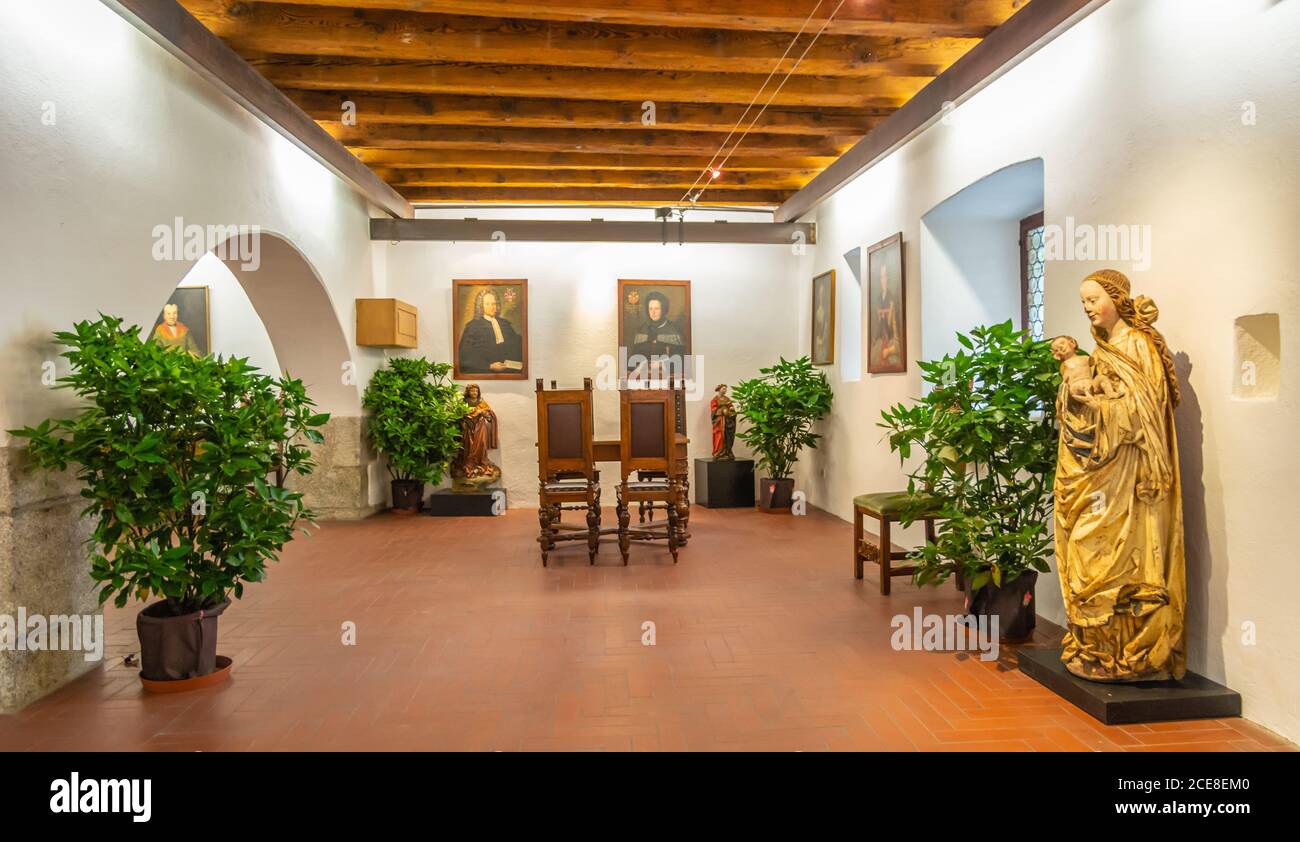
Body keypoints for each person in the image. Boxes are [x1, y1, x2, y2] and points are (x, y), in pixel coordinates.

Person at [1054, 269, 1185, 682]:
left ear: (1117, 298)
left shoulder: (1137, 346)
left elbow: (1145, 413)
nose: (1088, 307)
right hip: (1097, 469)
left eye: (1094, 299)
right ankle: (1097, 645)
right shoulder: (1101, 351)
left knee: (1123, 553)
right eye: (1083, 302)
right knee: (1085, 544)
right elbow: (1086, 403)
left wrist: (1100, 408)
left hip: (1129, 473)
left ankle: (1132, 651)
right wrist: (1075, 396)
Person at [458, 289, 523, 374]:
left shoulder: (505, 324)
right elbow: (465, 357)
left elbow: (516, 347)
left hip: (508, 371)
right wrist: (490, 366)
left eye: (494, 303)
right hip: (485, 371)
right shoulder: (472, 327)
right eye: (487, 304)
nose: (492, 307)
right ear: (481, 306)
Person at [451, 384, 501, 489]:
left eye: (476, 391)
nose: (474, 393)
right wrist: (465, 417)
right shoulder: (463, 403)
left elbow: (490, 417)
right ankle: (468, 464)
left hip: (480, 428)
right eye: (472, 391)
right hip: (468, 429)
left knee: (481, 445)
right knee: (468, 446)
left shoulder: (482, 403)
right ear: (468, 392)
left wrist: (483, 413)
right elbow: (458, 415)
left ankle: (480, 462)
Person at [628, 292, 686, 379]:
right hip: (643, 378)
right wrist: (643, 364)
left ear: (663, 309)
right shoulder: (642, 329)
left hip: (667, 378)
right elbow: (633, 359)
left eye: (657, 308)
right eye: (650, 309)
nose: (653, 312)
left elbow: (680, 361)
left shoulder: (673, 330)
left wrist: (661, 364)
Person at [710, 384, 736, 460]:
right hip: (719, 422)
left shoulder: (727, 399)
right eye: (723, 389)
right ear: (719, 389)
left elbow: (731, 407)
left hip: (727, 421)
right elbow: (713, 410)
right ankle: (718, 452)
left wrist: (731, 409)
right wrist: (722, 410)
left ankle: (727, 451)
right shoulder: (715, 400)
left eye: (725, 389)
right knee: (719, 436)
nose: (725, 390)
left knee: (728, 436)